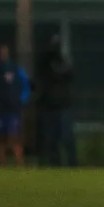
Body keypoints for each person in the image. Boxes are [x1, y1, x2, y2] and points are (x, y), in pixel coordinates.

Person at [35, 35, 76, 167]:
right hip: (49, 106)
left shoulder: (61, 62)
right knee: (51, 140)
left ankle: (71, 164)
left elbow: (68, 75)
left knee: (65, 137)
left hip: (62, 105)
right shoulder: (44, 62)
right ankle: (55, 164)